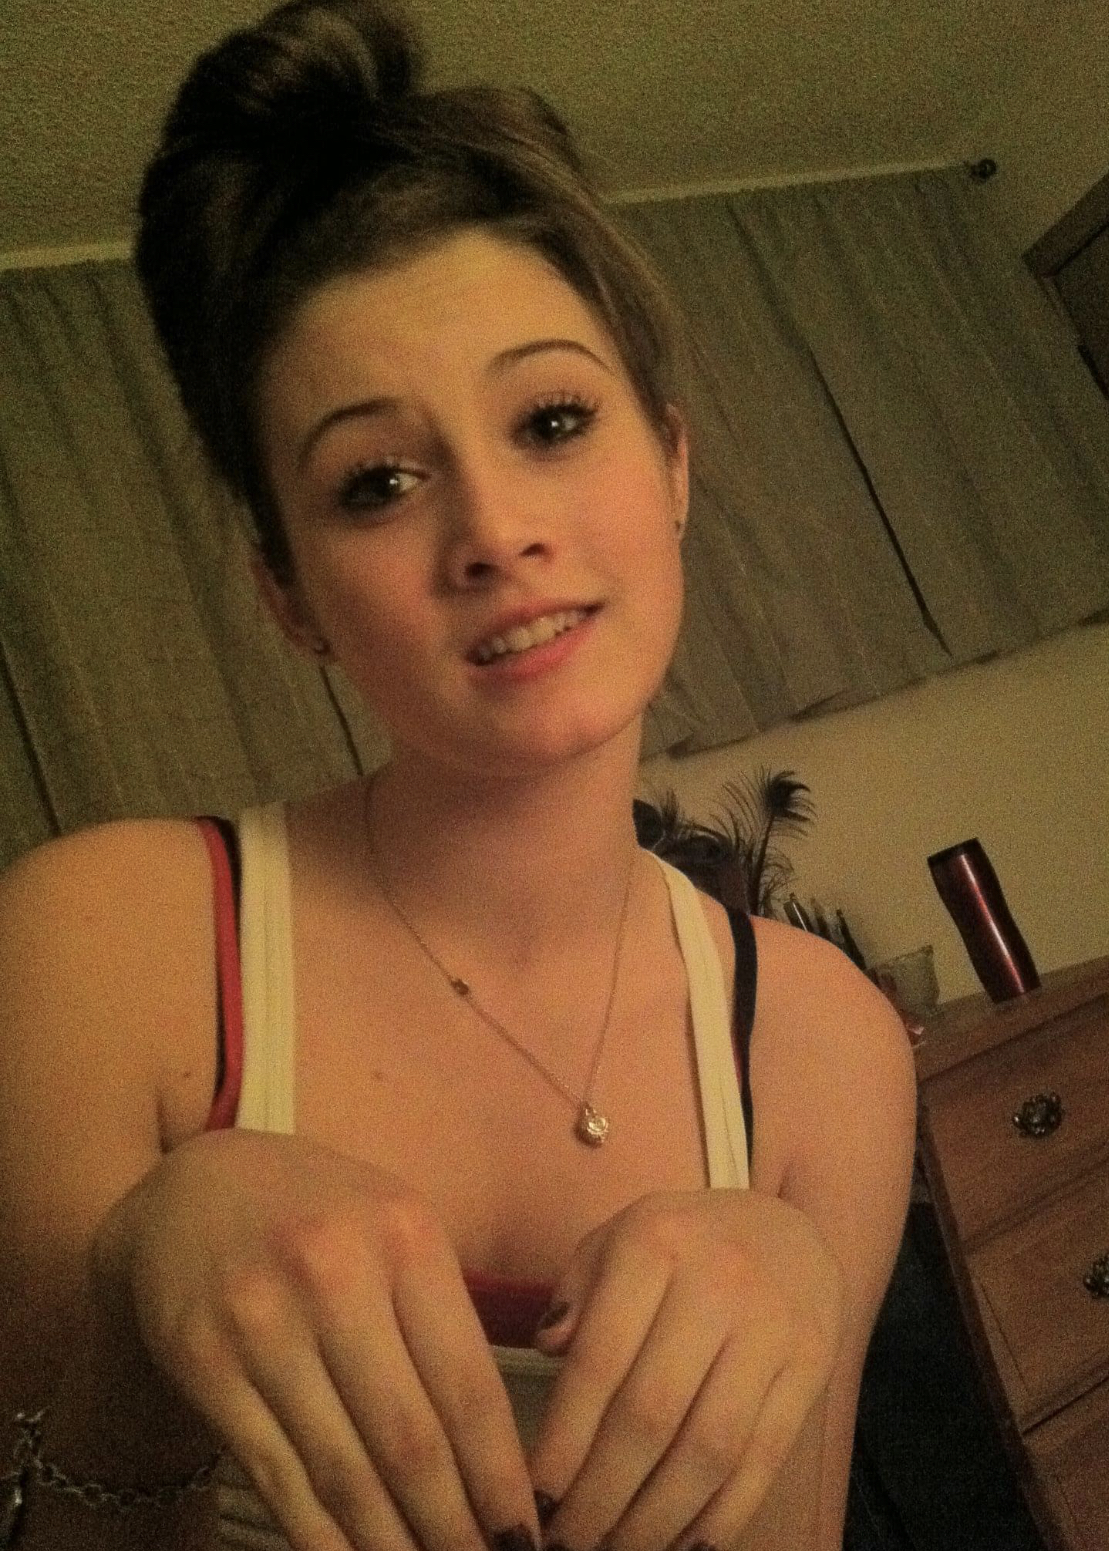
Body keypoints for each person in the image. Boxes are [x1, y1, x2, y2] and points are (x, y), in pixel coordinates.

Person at [0, 2, 916, 1548]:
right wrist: (140, 1323)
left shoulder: (832, 1049)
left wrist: (786, 1346)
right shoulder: (97, 945)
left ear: (672, 463)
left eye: (552, 419)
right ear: (290, 595)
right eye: (377, 482)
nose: (494, 530)